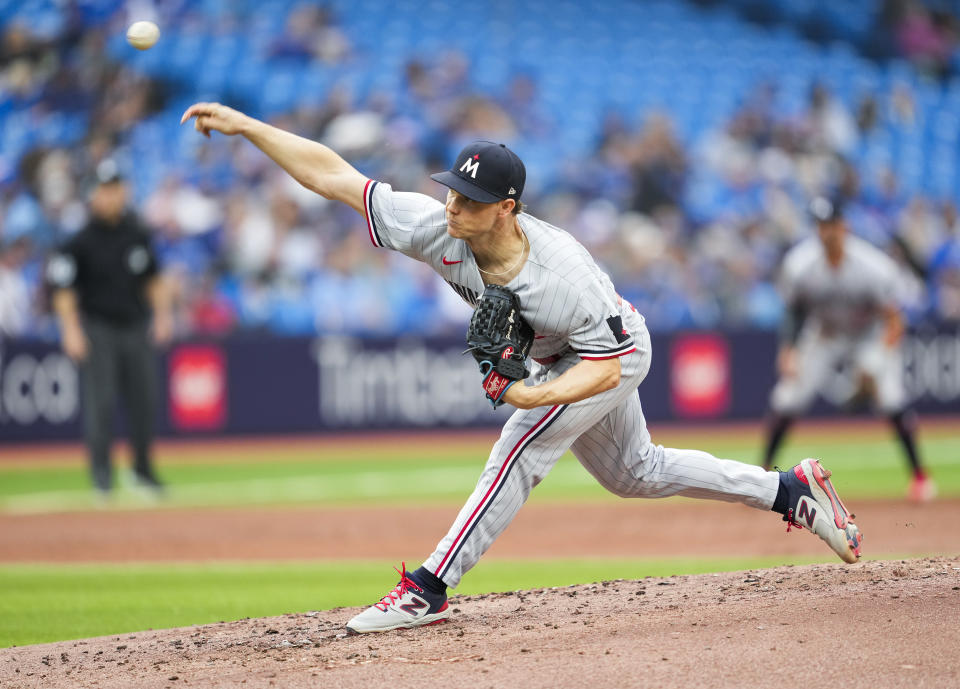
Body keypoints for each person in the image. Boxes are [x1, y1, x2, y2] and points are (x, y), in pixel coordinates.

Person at [181, 102, 864, 635]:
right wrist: (246, 127)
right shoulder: (437, 226)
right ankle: (788, 488)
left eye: (469, 201)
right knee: (638, 472)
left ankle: (428, 586)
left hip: (609, 351)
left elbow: (607, 367)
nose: (452, 207)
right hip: (562, 354)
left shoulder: (562, 274)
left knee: (521, 446)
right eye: (450, 192)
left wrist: (536, 394)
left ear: (507, 209)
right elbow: (334, 176)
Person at [760, 195, 934, 503]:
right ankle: (761, 476)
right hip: (824, 333)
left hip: (869, 334)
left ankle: (920, 477)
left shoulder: (873, 266)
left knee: (891, 397)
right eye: (820, 225)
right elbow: (794, 311)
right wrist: (788, 349)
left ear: (844, 227)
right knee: (788, 396)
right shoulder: (801, 263)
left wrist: (878, 362)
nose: (826, 232)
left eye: (831, 225)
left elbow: (895, 320)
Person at [47, 158, 173, 498]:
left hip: (135, 325)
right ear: (93, 195)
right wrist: (70, 330)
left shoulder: (137, 233)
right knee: (100, 404)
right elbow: (64, 290)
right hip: (98, 327)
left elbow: (154, 279)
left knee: (144, 401)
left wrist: (162, 316)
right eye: (105, 189)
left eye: (116, 188)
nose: (111, 196)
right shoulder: (79, 241)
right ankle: (102, 477)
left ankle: (142, 472)